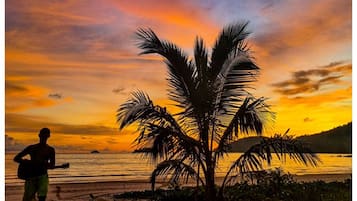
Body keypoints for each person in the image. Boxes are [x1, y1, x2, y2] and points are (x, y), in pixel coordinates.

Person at [14, 127, 56, 201]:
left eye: (46, 135)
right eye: (43, 134)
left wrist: (46, 165)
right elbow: (16, 158)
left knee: (42, 197)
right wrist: (27, 162)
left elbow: (52, 165)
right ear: (39, 135)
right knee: (28, 198)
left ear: (48, 136)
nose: (44, 137)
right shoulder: (31, 148)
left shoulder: (50, 150)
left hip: (43, 176)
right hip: (31, 177)